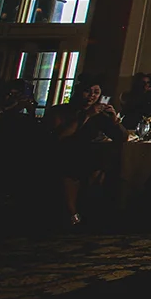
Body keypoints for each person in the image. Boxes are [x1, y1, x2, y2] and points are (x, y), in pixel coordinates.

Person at [45, 77, 127, 226]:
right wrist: (87, 115)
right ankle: (72, 213)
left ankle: (93, 212)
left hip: (88, 155)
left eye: (96, 92)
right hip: (63, 153)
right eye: (88, 91)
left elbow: (122, 137)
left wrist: (115, 120)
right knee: (73, 167)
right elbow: (59, 136)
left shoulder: (98, 115)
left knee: (107, 164)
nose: (92, 96)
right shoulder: (61, 111)